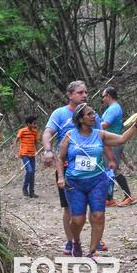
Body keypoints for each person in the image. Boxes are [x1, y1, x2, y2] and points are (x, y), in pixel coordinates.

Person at [56, 103, 137, 258]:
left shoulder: (100, 134)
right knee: (77, 219)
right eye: (89, 114)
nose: (94, 116)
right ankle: (76, 242)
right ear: (80, 119)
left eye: (94, 113)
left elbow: (122, 139)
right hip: (75, 183)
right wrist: (60, 177)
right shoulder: (70, 136)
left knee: (98, 216)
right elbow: (60, 158)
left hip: (97, 182)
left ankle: (92, 252)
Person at [42, 81, 115, 254]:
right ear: (69, 94)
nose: (84, 95)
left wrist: (110, 158)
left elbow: (100, 138)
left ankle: (95, 241)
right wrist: (47, 150)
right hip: (69, 166)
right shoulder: (59, 114)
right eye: (80, 92)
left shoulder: (91, 115)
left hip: (93, 167)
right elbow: (47, 133)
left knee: (94, 206)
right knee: (71, 209)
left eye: (86, 92)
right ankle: (72, 241)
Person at [101, 86, 136, 206]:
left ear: (109, 96)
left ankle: (128, 196)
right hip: (110, 142)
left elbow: (105, 125)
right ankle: (109, 198)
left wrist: (89, 127)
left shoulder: (114, 108)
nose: (103, 99)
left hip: (113, 141)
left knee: (114, 170)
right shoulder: (112, 108)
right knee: (109, 170)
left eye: (104, 96)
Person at [15, 115, 39, 198]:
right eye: (34, 123)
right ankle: (25, 188)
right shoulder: (22, 131)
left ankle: (31, 192)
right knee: (29, 170)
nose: (35, 125)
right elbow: (16, 141)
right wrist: (15, 152)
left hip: (32, 154)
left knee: (32, 173)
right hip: (24, 154)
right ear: (28, 124)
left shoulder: (35, 132)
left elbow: (36, 142)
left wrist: (38, 151)